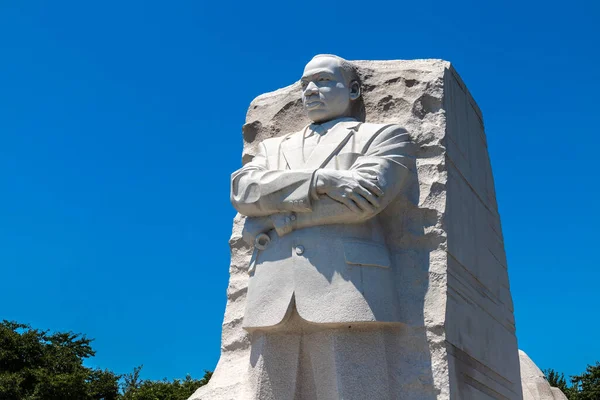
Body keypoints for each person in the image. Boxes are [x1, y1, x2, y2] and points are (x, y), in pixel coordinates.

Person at [230, 54, 416, 399]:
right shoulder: (272, 148)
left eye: (324, 81)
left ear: (354, 89)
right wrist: (322, 180)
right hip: (272, 294)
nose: (311, 90)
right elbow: (243, 192)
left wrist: (274, 219)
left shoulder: (384, 136)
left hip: (348, 290)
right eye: (305, 84)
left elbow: (365, 202)